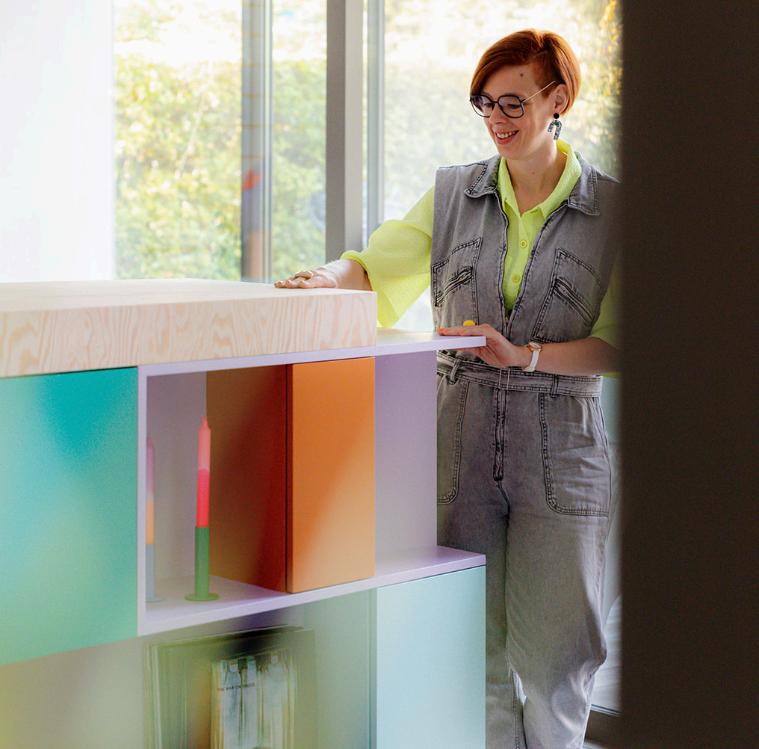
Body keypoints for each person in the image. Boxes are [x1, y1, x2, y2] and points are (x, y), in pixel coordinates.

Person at [276, 29, 619, 749]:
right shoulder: (454, 194)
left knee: (556, 660)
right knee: (470, 654)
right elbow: (378, 266)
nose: (496, 118)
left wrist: (525, 356)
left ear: (558, 100)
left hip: (563, 453)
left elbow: (620, 343)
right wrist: (326, 277)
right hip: (458, 441)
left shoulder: (612, 212)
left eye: (513, 101)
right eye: (484, 103)